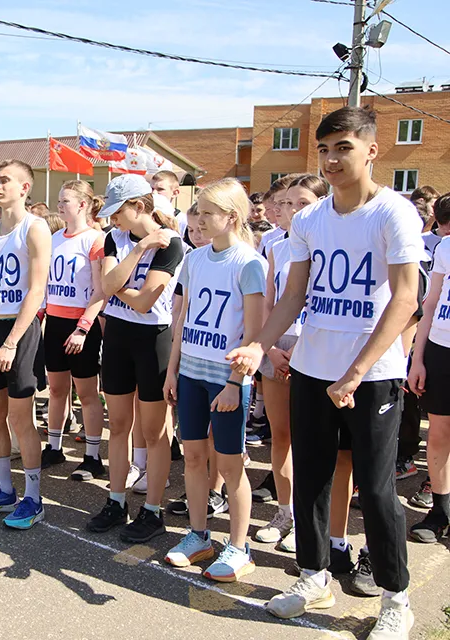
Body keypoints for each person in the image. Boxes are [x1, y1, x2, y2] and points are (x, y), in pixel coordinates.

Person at [228, 107, 421, 638]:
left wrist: (357, 372)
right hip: (313, 372)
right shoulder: (310, 220)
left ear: (371, 150)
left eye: (344, 148)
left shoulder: (394, 213)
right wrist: (257, 345)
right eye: (326, 151)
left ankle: (395, 599)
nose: (333, 160)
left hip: (372, 375)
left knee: (378, 491)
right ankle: (313, 576)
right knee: (310, 478)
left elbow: (406, 297)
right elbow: (294, 296)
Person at [163, 178, 265, 582]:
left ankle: (239, 546)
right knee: (191, 457)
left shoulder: (250, 263)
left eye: (207, 212)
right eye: (198, 212)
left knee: (231, 463)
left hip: (227, 379)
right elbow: (181, 320)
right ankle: (198, 534)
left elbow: (254, 335)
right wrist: (172, 370)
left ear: (231, 217)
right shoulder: (194, 258)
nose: (199, 220)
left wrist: (234, 383)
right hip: (190, 372)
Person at [87, 177, 184, 543]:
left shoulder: (172, 243)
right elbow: (107, 285)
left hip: (153, 338)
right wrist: (139, 247)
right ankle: (116, 501)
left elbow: (144, 302)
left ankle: (153, 510)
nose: (113, 220)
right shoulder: (120, 238)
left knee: (155, 431)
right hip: (119, 335)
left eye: (118, 212)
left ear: (139, 207)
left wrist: (116, 286)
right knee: (119, 424)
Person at [0, 159, 51, 529]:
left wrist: (12, 341)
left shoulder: (36, 228)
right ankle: (4, 490)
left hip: (21, 332)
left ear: (24, 188)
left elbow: (37, 289)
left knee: (20, 418)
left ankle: (33, 498)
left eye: (5, 181)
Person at [253, 174, 328, 554]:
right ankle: (284, 512)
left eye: (302, 204)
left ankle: (309, 520)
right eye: (288, 204)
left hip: (314, 347)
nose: (293, 211)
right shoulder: (275, 246)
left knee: (310, 439)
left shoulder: (329, 243)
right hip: (278, 345)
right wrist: (268, 348)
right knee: (280, 435)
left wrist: (302, 349)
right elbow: (270, 300)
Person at [40, 180, 107, 486]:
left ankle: (93, 457)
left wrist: (83, 327)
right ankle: (54, 448)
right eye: (59, 200)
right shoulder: (54, 238)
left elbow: (100, 290)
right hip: (54, 322)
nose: (59, 205)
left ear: (82, 204)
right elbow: (44, 284)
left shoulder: (95, 239)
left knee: (87, 394)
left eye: (65, 200)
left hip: (81, 326)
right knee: (56, 390)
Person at [407, 231, 450, 544]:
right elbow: (431, 302)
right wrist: (417, 358)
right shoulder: (447, 246)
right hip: (440, 349)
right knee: (438, 434)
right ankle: (441, 511)